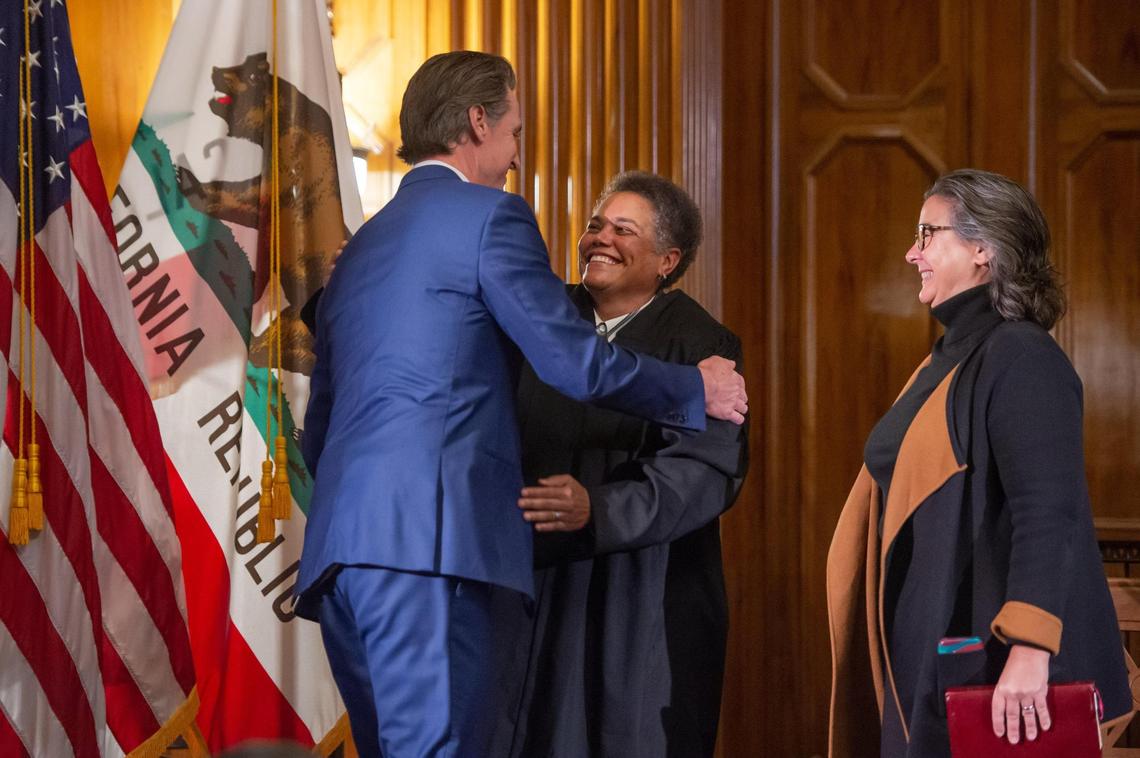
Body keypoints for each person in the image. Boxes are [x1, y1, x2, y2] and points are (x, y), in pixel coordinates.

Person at [294, 52, 747, 758]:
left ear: (670, 258)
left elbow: (318, 430)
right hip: (434, 549)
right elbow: (572, 361)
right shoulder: (490, 218)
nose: (512, 157)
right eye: (513, 132)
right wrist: (697, 389)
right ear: (478, 122)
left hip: (344, 556)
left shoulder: (359, 252)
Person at [826, 169, 1130, 757]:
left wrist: (1029, 650)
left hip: (994, 662)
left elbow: (1048, 510)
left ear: (984, 248)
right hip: (941, 644)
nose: (912, 252)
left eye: (927, 233)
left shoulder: (1021, 354)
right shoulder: (952, 355)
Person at [490, 172, 748, 757]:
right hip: (534, 570)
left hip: (642, 591)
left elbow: (700, 474)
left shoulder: (703, 346)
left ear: (667, 259)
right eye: (594, 225)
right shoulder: (542, 317)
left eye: (623, 230)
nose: (599, 238)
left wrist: (597, 509)